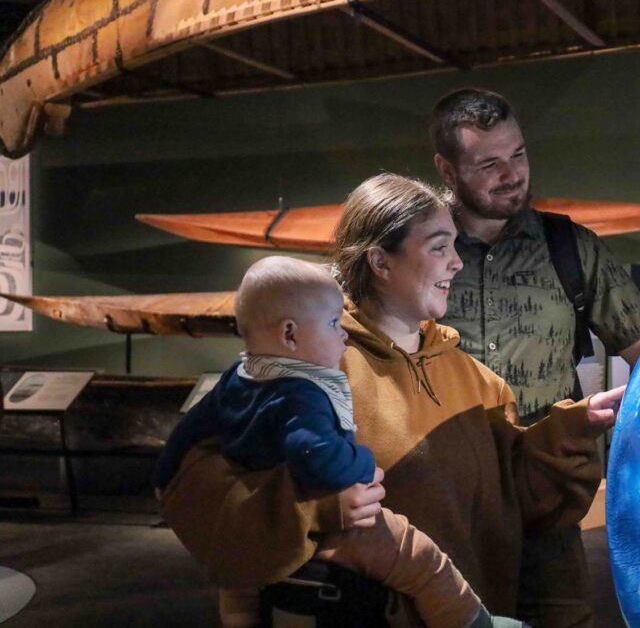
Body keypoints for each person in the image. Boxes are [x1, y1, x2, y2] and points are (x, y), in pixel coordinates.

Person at [159, 173, 623, 626]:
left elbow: (516, 505)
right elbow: (208, 501)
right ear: (381, 263)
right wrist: (314, 507)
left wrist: (574, 428)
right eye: (439, 246)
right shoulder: (306, 378)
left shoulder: (478, 381)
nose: (457, 262)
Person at [154, 255, 504, 628]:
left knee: (237, 580)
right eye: (334, 324)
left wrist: (165, 480)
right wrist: (362, 462)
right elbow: (316, 454)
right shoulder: (302, 393)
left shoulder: (238, 376)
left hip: (255, 523)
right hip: (318, 512)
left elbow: (186, 439)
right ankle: (473, 622)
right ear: (290, 335)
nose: (344, 334)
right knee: (418, 556)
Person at [429, 88, 640, 627]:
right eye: (488, 162)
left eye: (519, 154)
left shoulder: (571, 247)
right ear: (447, 168)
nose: (512, 174)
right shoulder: (420, 251)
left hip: (547, 506)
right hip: (443, 510)